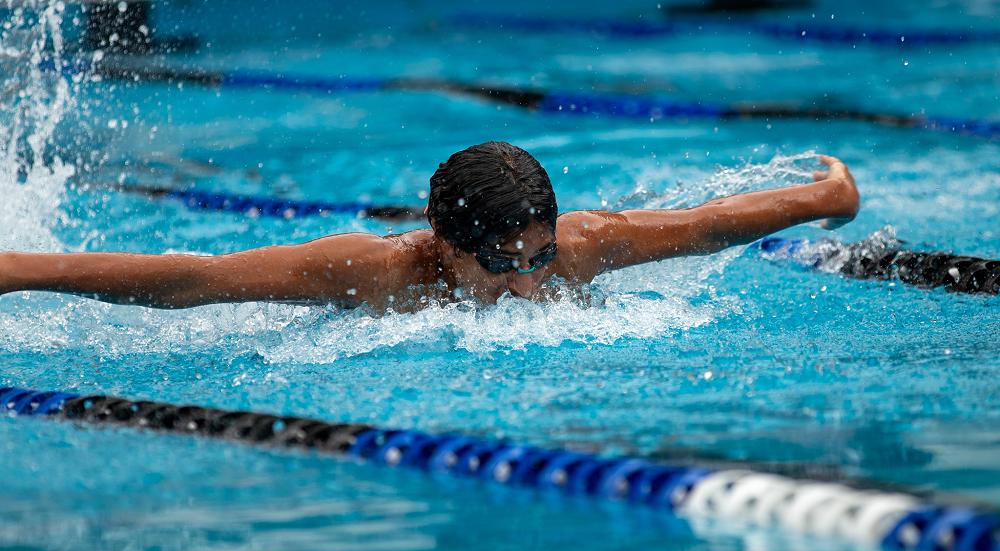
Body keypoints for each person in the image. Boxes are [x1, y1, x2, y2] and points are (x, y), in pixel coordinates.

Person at [0, 142, 858, 311]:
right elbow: (197, 279)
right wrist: (20, 269)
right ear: (443, 242)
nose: (526, 284)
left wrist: (828, 198)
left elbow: (706, 226)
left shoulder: (580, 250)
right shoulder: (378, 271)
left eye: (538, 257)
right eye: (500, 263)